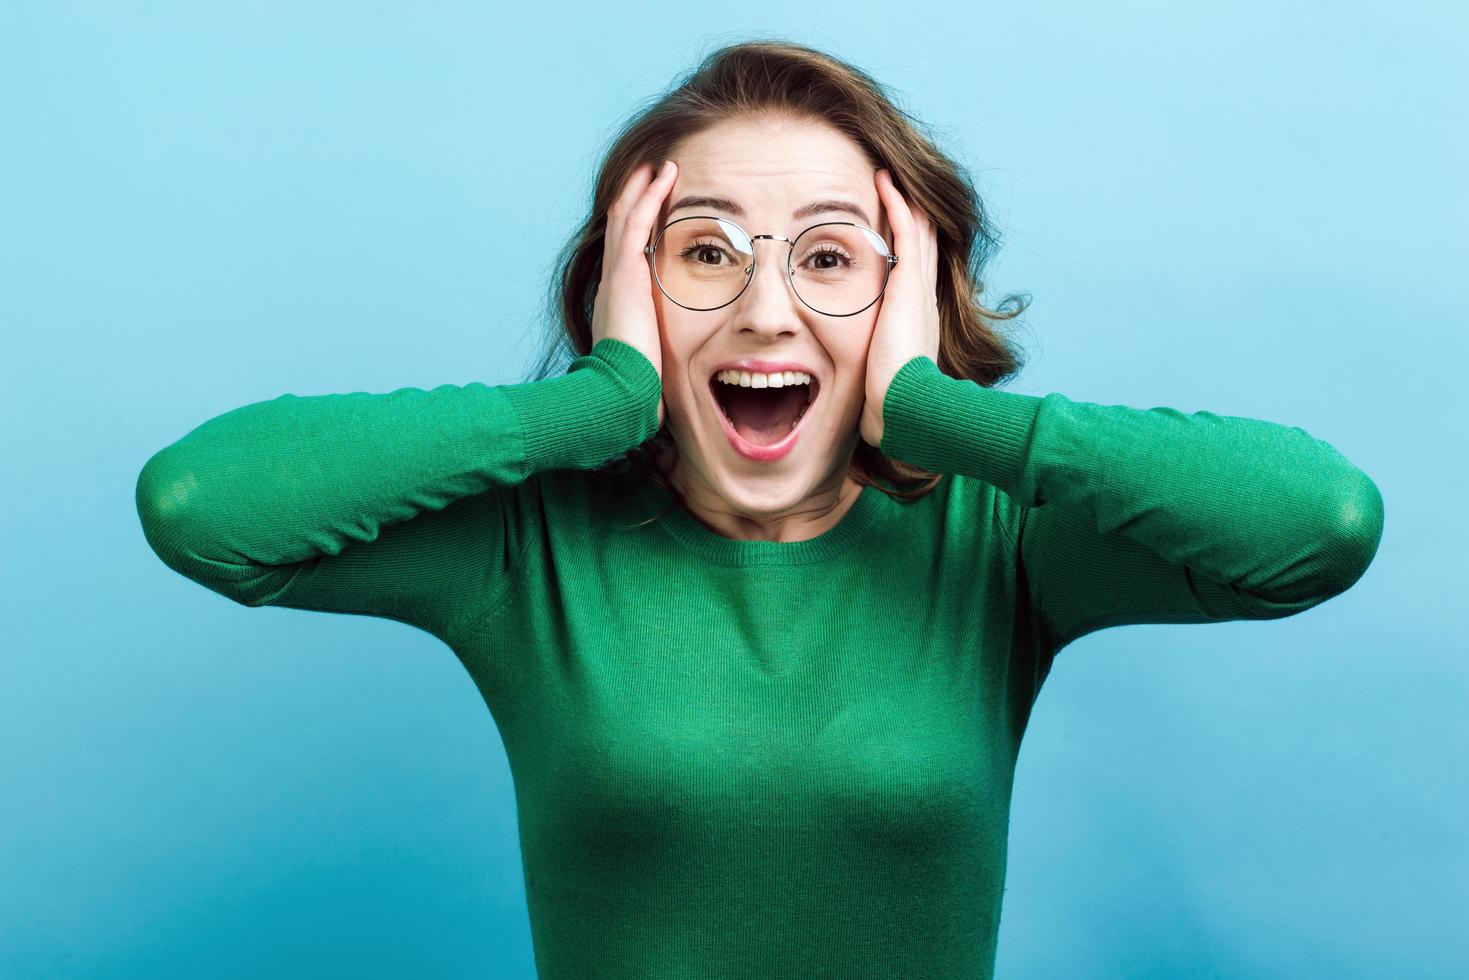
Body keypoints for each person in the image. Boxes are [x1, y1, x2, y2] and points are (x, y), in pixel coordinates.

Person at [134, 39, 1385, 980]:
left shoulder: (998, 540)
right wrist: (593, 403)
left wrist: (932, 408)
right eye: (705, 251)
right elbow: (203, 507)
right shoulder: (526, 547)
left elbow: (1318, 523)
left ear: (905, 296)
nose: (765, 310)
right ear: (630, 289)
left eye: (828, 255)